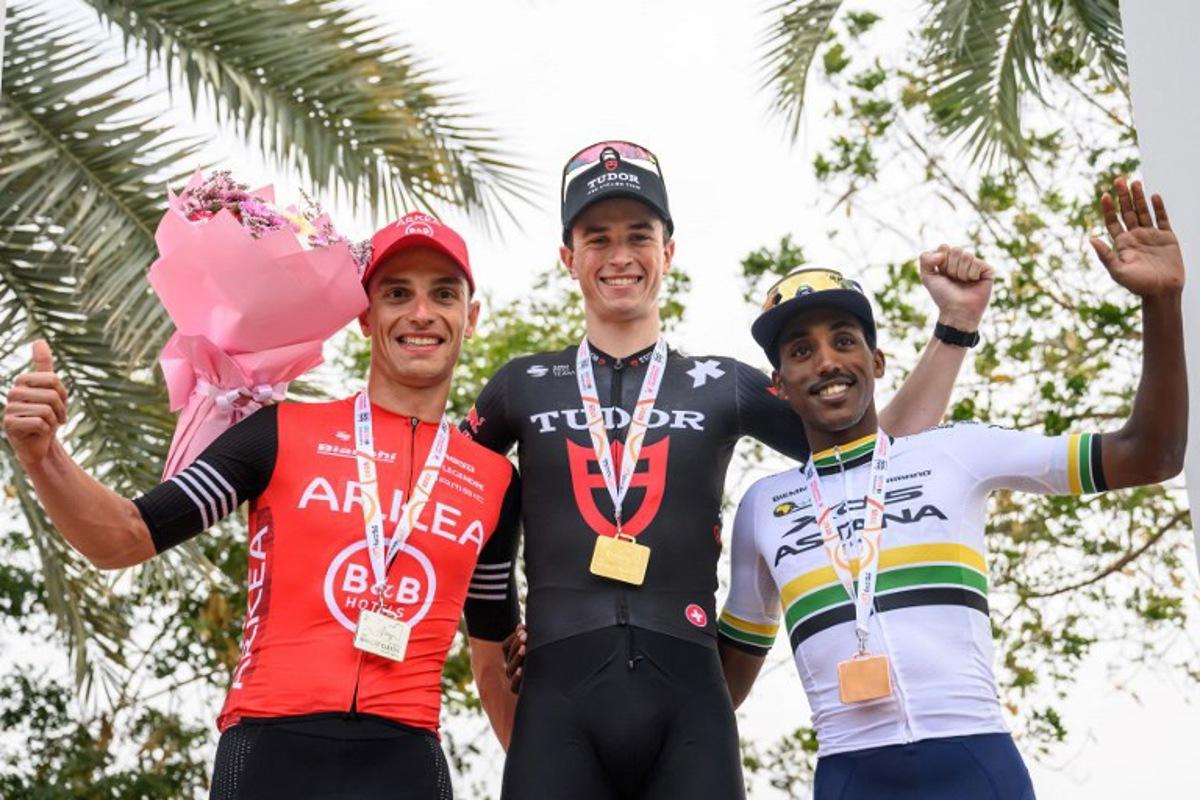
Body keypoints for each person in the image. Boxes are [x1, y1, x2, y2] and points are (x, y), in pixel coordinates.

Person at [462, 140, 990, 799]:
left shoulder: (721, 384)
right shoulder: (521, 385)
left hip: (689, 702)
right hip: (556, 701)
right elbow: (437, 496)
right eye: (597, 239)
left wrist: (953, 328)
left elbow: (873, 450)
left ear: (669, 252)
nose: (620, 256)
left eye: (639, 236)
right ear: (569, 258)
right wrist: (490, 636)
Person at [3, 212, 521, 799]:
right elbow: (124, 536)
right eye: (396, 293)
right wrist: (42, 455)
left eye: (444, 294)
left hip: (406, 761)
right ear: (363, 316)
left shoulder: (495, 480)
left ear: (470, 317)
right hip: (270, 750)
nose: (421, 313)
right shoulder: (279, 433)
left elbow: (493, 665)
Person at [718, 178, 1185, 799]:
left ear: (877, 362)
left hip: (975, 761)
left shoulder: (955, 451)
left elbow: (1150, 456)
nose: (826, 361)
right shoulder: (762, 508)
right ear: (777, 385)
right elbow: (725, 685)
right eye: (801, 350)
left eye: (844, 340)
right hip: (850, 774)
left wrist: (1162, 304)